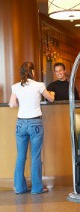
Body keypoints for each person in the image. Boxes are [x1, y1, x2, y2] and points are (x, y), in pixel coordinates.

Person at [9, 61, 55, 195]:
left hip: (20, 124)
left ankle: (20, 188)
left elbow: (12, 104)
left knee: (20, 157)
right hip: (35, 123)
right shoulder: (39, 85)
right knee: (35, 157)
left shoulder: (16, 86)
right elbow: (50, 99)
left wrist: (21, 102)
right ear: (32, 72)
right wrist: (52, 94)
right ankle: (36, 188)